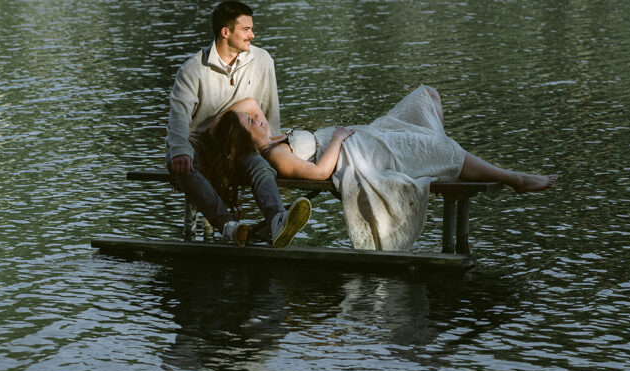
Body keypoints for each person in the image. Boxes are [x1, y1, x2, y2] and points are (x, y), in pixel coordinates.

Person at [206, 86, 557, 251]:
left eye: (255, 116)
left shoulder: (271, 136)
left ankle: (435, 157)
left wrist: (236, 121)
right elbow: (318, 175)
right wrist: (339, 140)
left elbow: (248, 102)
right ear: (245, 138)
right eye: (251, 122)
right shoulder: (275, 155)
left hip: (364, 137)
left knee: (426, 97)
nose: (258, 115)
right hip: (356, 152)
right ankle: (515, 179)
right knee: (436, 146)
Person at [165, 0, 312, 248]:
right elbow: (178, 117)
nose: (252, 35)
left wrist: (271, 148)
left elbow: (268, 110)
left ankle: (277, 222)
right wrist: (180, 150)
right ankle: (228, 227)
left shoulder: (262, 60)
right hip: (200, 142)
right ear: (226, 32)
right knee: (182, 164)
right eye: (246, 29)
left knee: (260, 168)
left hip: (238, 142)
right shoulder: (193, 70)